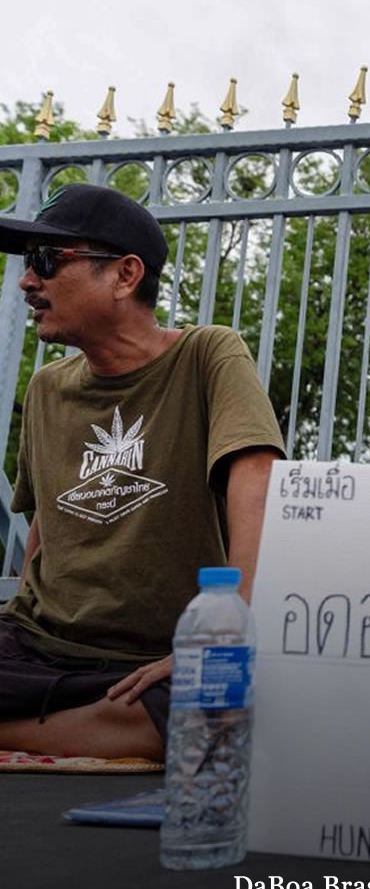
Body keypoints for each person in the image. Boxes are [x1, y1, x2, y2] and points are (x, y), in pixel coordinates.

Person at [0, 184, 284, 760]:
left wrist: (222, 638)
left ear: (126, 276)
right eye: (29, 264)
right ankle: (83, 727)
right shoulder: (47, 387)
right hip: (38, 647)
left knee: (217, 704)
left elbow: (258, 479)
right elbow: (44, 529)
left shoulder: (208, 354)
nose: (29, 281)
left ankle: (56, 726)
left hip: (156, 659)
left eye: (48, 261)